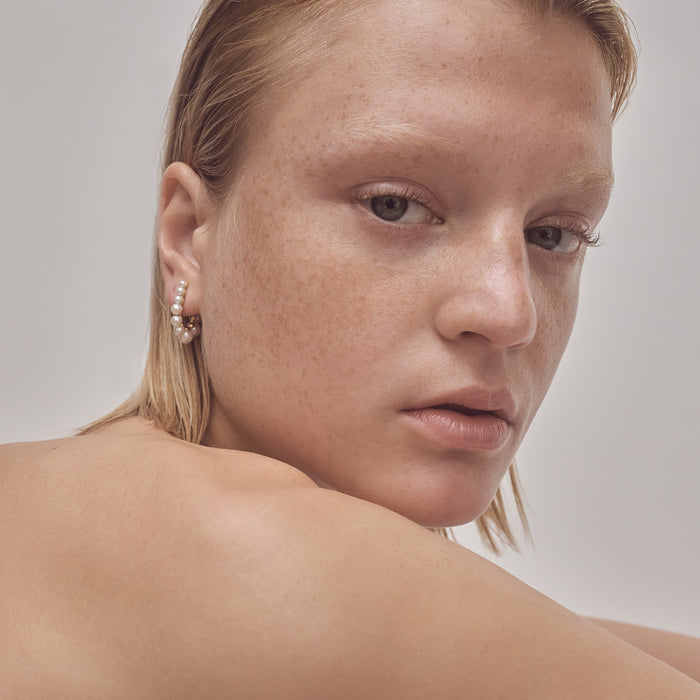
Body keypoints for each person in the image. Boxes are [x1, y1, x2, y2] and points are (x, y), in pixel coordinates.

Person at [1, 0, 699, 696]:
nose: (510, 313)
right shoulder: (252, 553)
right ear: (188, 239)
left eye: (553, 234)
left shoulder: (76, 520)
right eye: (394, 205)